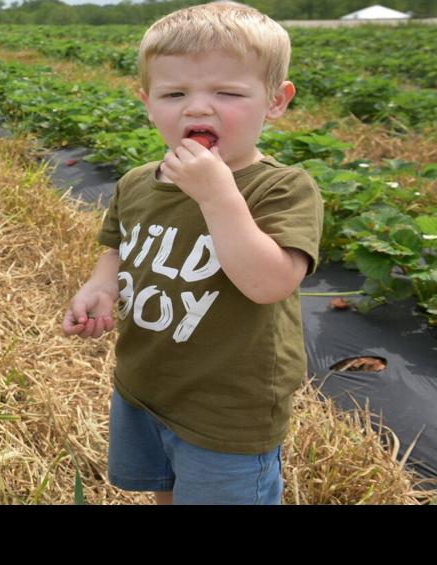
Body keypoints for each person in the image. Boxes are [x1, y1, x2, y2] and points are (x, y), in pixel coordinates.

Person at [60, 2, 322, 505]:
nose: (197, 108)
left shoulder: (283, 189)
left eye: (227, 92)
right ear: (147, 102)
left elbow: (269, 283)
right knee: (165, 490)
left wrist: (218, 195)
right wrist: (99, 285)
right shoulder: (138, 182)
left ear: (276, 100)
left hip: (228, 405)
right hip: (145, 384)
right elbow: (118, 246)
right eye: (175, 93)